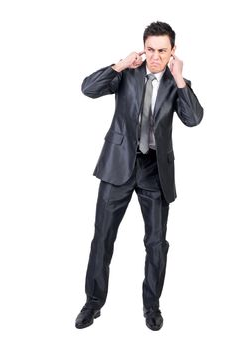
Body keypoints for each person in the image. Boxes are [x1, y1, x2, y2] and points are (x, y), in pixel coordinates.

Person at [75, 21, 203, 331]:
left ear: (173, 51)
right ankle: (93, 302)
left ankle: (152, 306)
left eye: (162, 50)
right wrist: (118, 65)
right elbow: (88, 89)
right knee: (102, 238)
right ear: (142, 48)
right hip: (117, 165)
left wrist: (180, 79)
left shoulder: (177, 82)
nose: (155, 56)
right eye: (150, 49)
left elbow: (194, 119)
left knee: (156, 243)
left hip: (154, 170)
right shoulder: (127, 73)